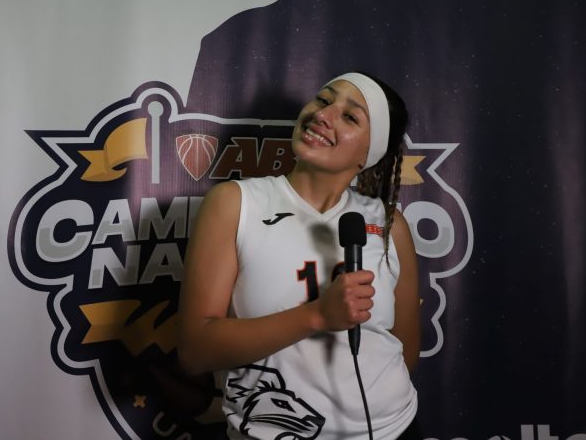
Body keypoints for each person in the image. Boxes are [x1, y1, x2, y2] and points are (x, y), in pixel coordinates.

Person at [178, 72, 420, 439]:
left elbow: (405, 349)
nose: (323, 115)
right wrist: (318, 315)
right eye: (323, 100)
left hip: (391, 429)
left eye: (350, 116)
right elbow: (195, 350)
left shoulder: (390, 225)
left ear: (371, 153)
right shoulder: (235, 204)